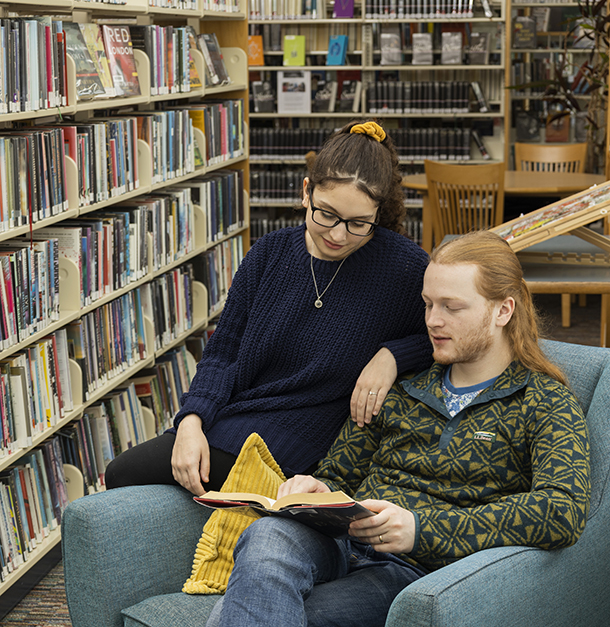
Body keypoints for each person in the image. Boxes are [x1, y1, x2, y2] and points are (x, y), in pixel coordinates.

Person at [206, 230, 591, 627]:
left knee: (243, 614)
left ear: (502, 311)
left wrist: (421, 529)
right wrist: (318, 491)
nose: (432, 321)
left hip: (411, 569)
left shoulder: (543, 401)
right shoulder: (403, 386)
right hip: (341, 540)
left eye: (451, 307)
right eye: (427, 304)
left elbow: (561, 508)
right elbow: (339, 474)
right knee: (268, 535)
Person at [105, 120, 432, 495]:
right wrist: (190, 421)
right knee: (122, 472)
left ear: (379, 214)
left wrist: (392, 355)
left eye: (359, 223)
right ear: (306, 192)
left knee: (125, 474)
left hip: (304, 442)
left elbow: (445, 339)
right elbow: (224, 352)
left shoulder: (404, 266)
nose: (338, 235)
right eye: (326, 214)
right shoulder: (269, 252)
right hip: (236, 417)